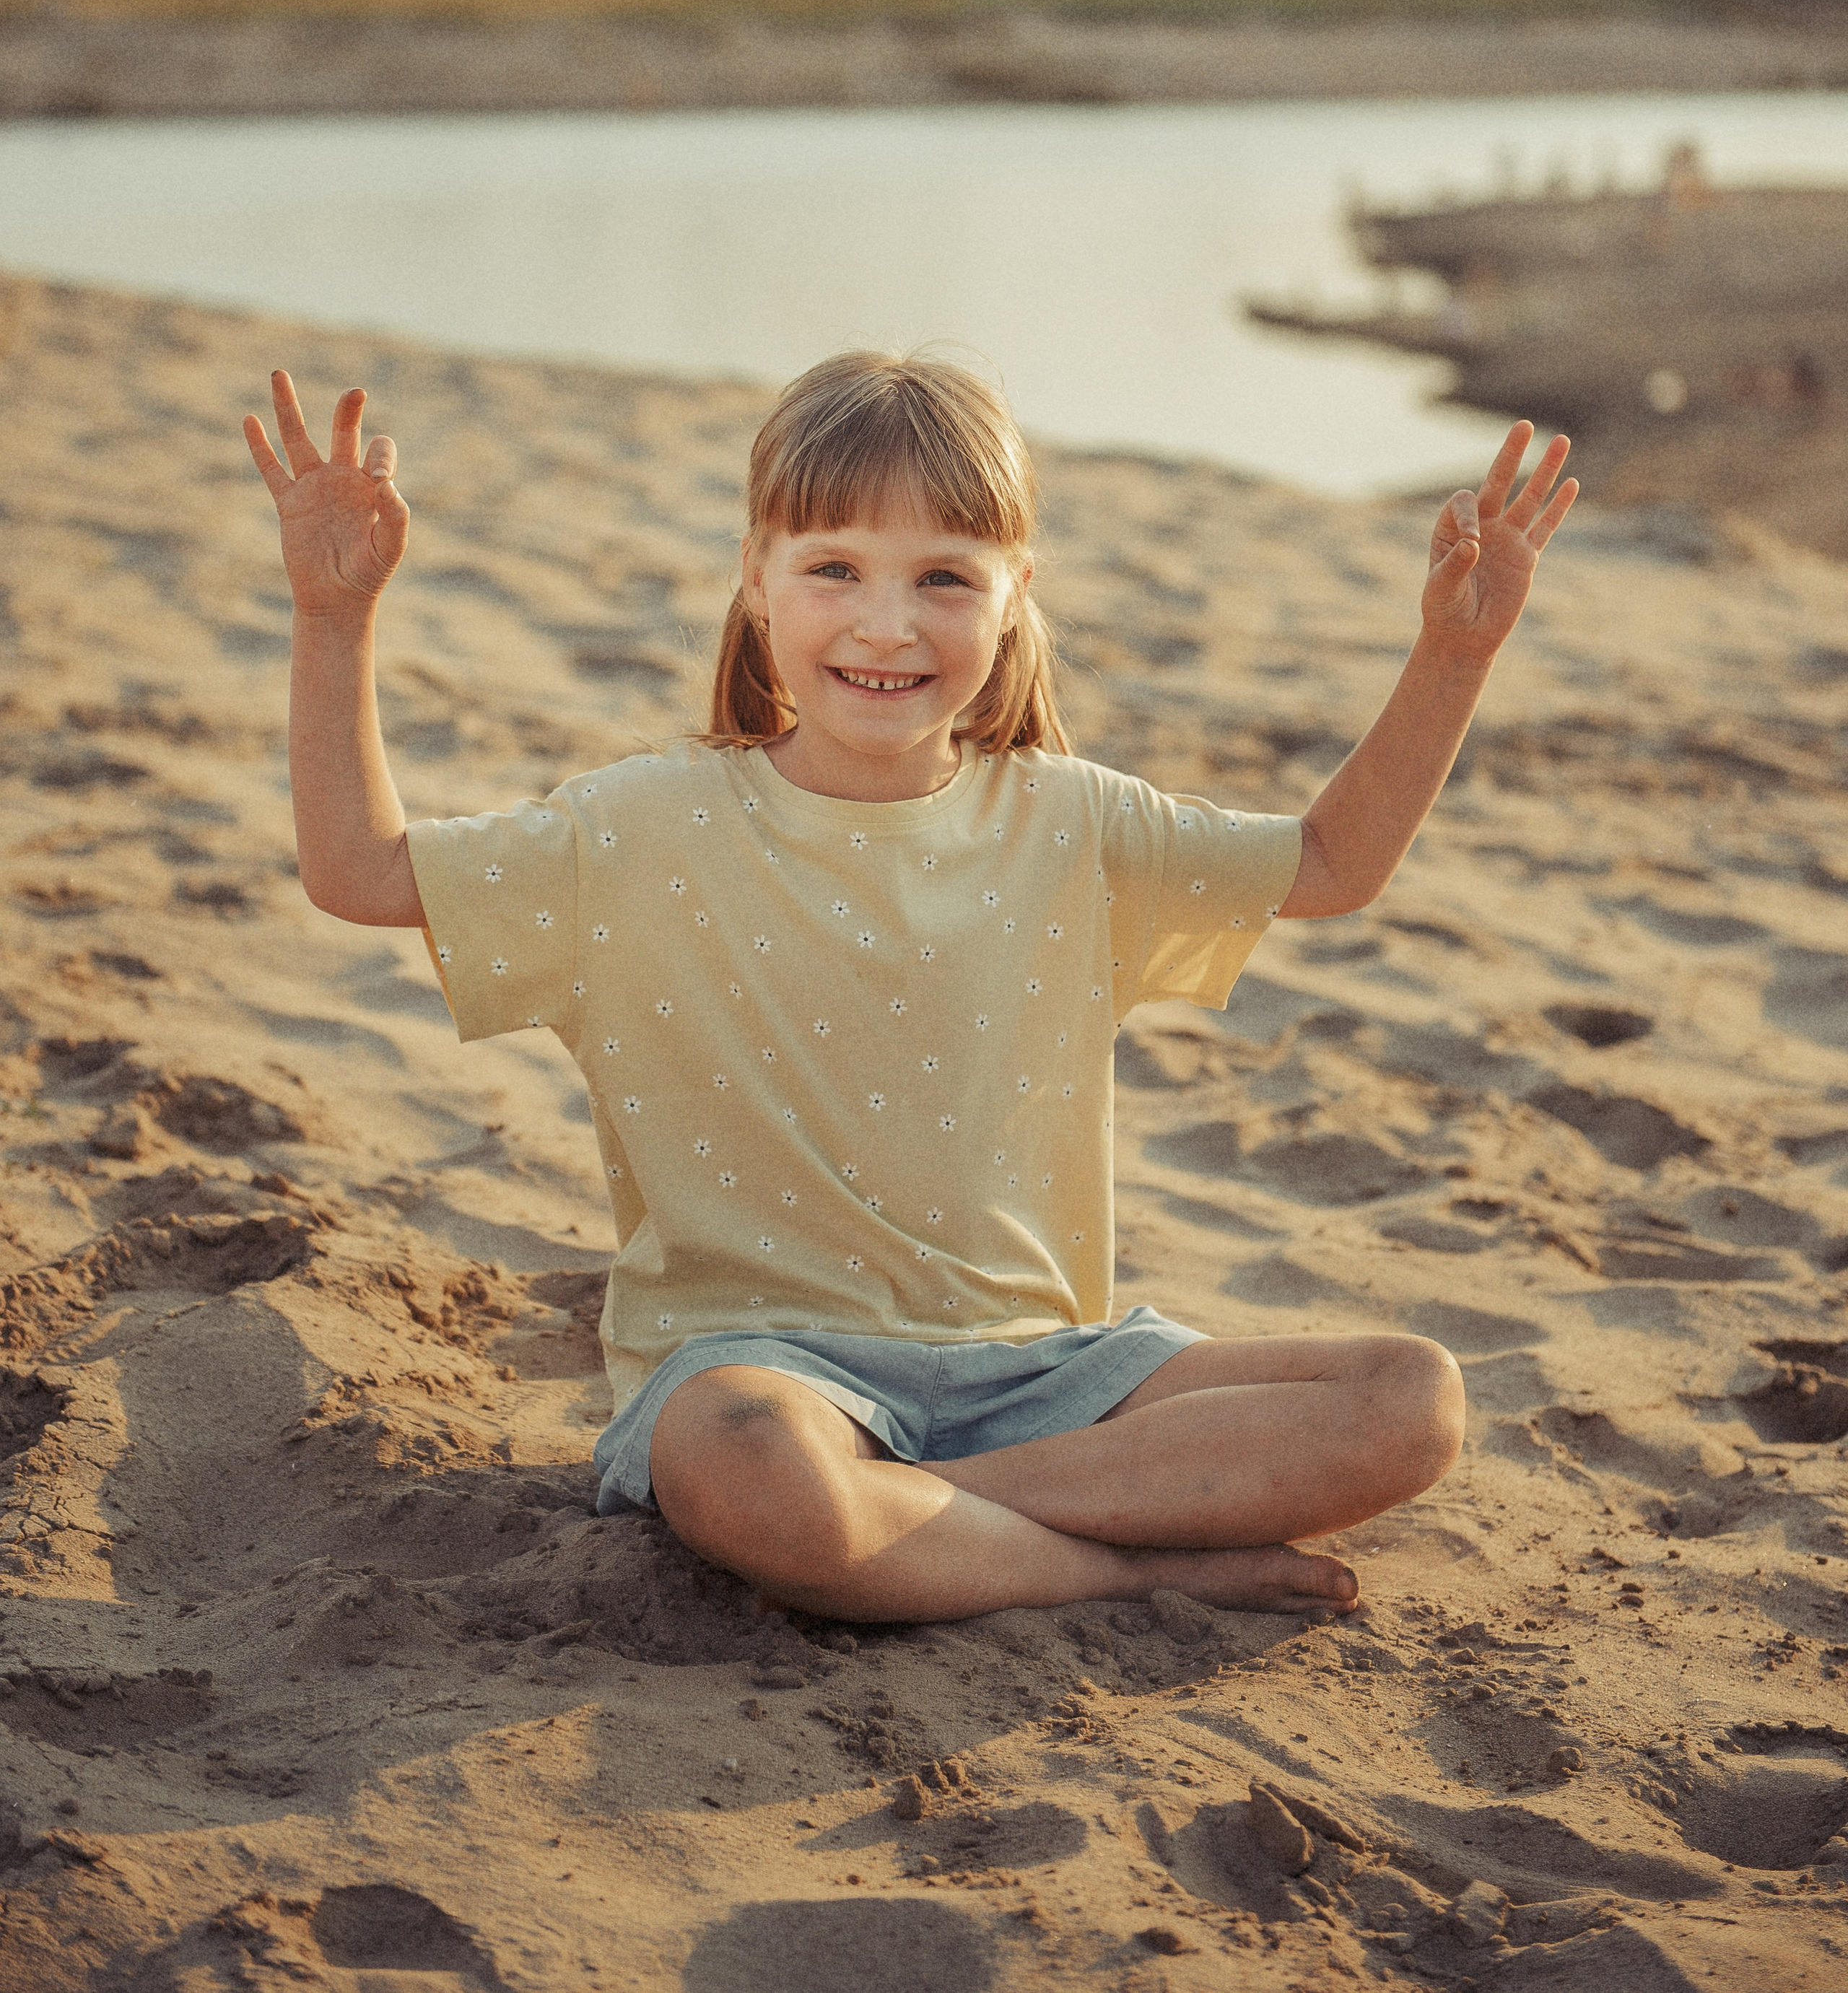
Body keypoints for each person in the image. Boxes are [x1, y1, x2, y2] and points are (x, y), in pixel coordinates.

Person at [245, 352, 1576, 1626]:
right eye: (834, 569)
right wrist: (332, 616)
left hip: (1047, 1371)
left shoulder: (1074, 823)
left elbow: (1332, 863)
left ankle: (924, 1525)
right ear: (756, 579)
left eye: (945, 577)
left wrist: (1455, 655)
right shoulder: (639, 827)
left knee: (1410, 1399)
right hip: (767, 1376)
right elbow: (361, 870)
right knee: (749, 1470)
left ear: (1014, 594)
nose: (887, 625)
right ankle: (1119, 1567)